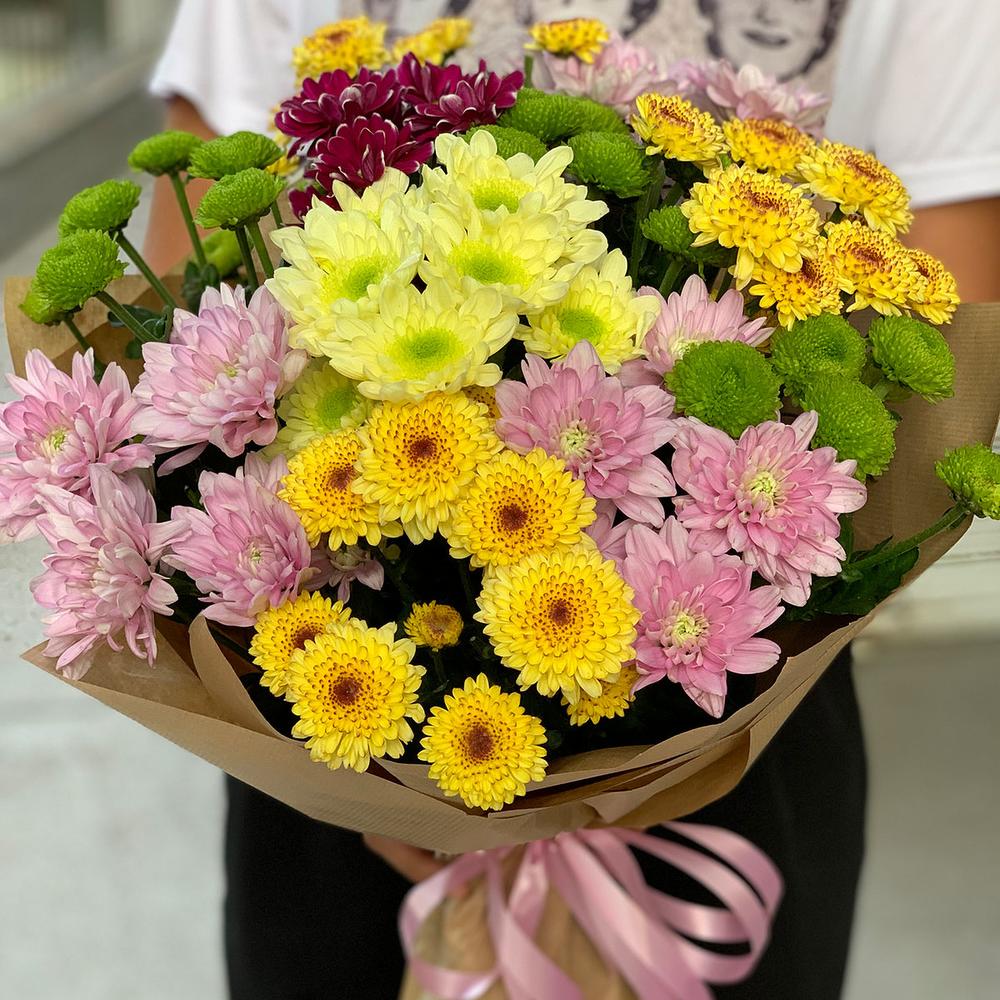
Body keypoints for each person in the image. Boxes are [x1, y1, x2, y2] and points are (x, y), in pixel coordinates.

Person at [145, 2, 1000, 997]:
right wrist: (381, 782)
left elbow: (935, 358)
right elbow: (187, 295)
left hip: (735, 730)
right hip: (325, 722)